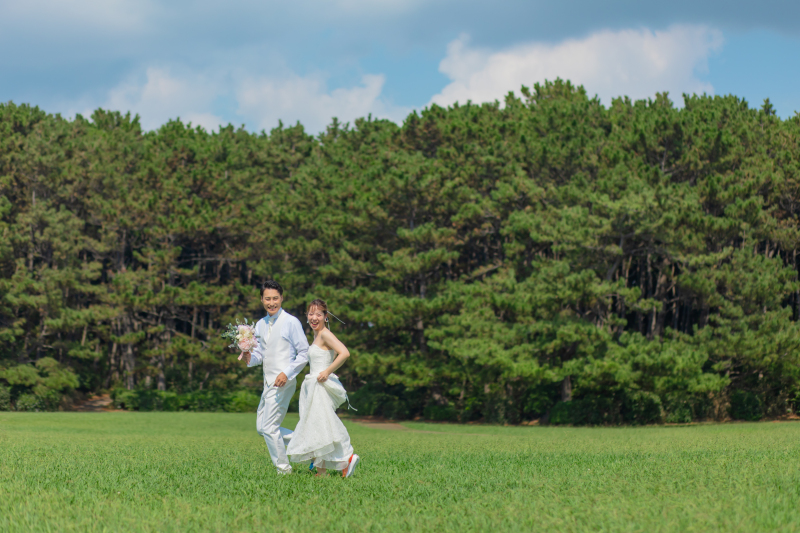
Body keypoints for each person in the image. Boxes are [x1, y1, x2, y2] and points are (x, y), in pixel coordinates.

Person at [240, 280, 309, 475]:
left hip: (284, 382)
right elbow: (260, 356)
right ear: (262, 300)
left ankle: (284, 470)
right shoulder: (260, 324)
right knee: (262, 428)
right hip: (268, 382)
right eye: (268, 299)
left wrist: (286, 373)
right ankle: (310, 447)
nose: (272, 303)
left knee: (269, 427)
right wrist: (248, 357)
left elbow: (304, 353)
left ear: (282, 298)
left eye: (275, 298)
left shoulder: (291, 322)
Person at [286, 299, 360, 478]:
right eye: (310, 314)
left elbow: (344, 353)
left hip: (319, 386)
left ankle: (347, 457)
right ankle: (323, 470)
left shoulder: (325, 334)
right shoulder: (317, 335)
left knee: (323, 424)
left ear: (326, 317)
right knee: (318, 425)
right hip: (313, 386)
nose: (314, 317)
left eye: (318, 314)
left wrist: (327, 371)